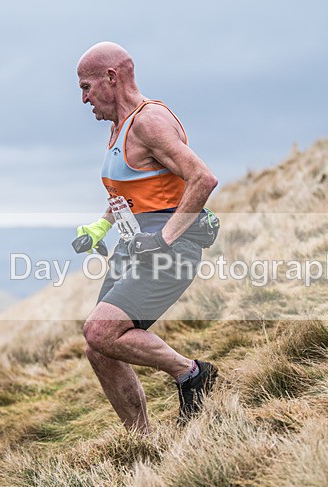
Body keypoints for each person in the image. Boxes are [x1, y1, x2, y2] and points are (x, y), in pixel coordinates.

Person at [74, 42, 219, 433]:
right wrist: (100, 227)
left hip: (169, 246)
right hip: (135, 245)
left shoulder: (148, 122)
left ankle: (192, 374)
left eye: (86, 87)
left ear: (111, 77)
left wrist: (167, 238)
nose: (84, 98)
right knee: (98, 347)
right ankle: (143, 439)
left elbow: (202, 179)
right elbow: (129, 194)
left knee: (101, 331)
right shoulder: (117, 130)